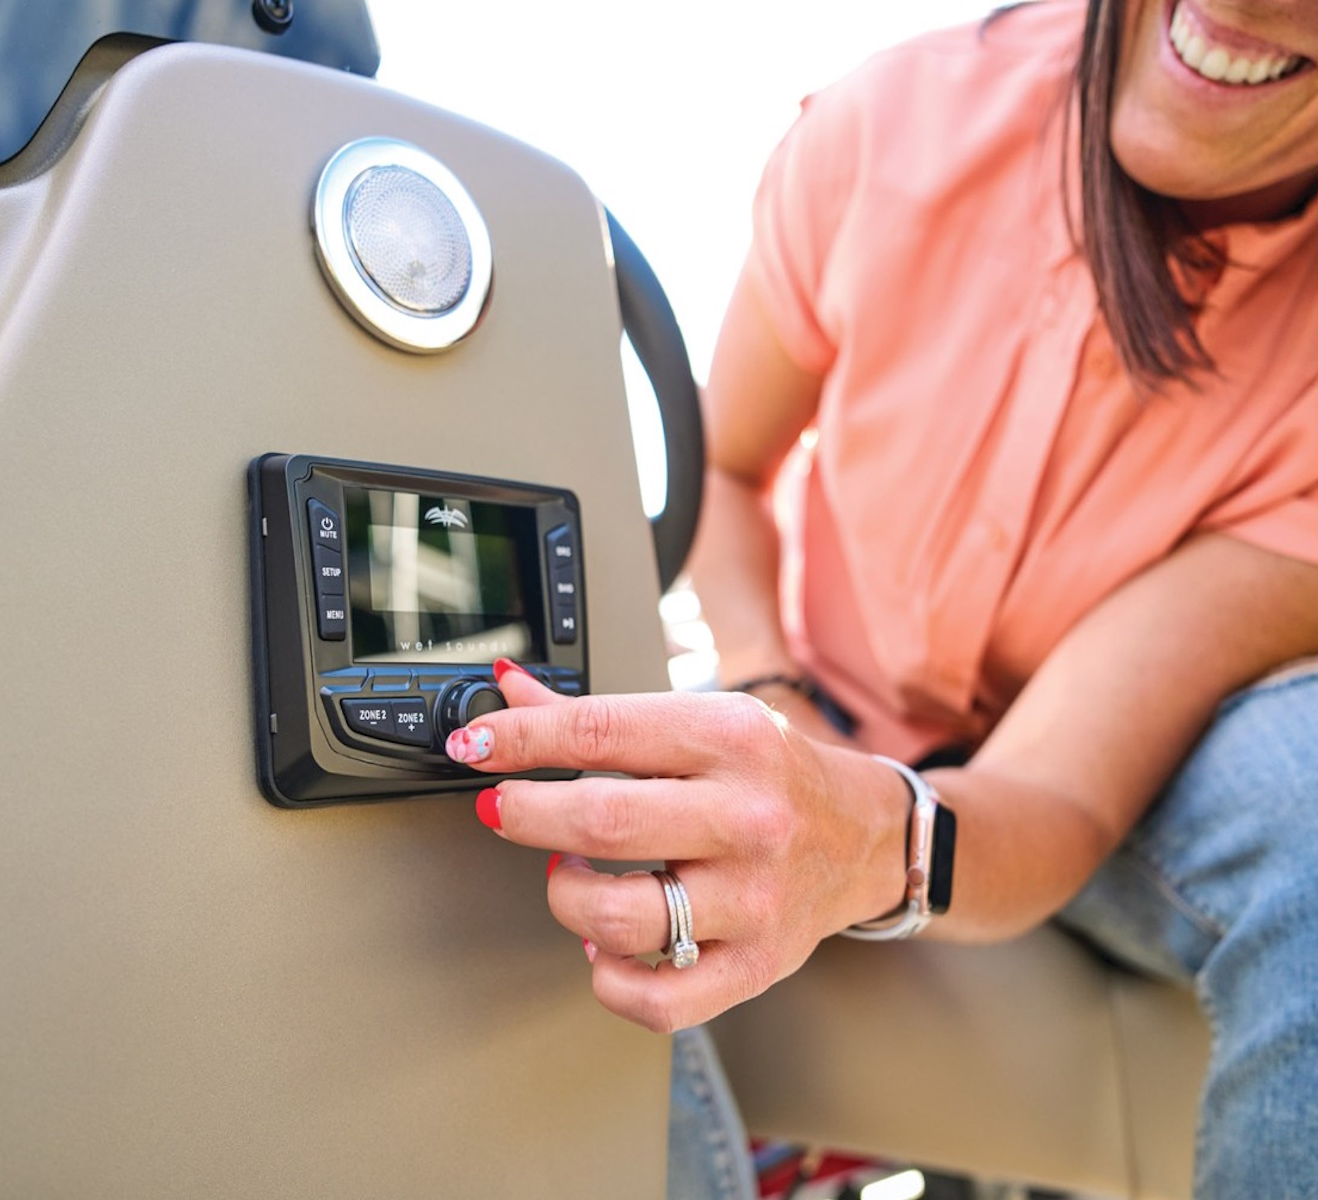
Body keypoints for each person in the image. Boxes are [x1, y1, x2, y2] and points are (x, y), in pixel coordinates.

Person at [443, 0, 1318, 1195]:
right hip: (820, 697)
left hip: (1116, 781)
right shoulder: (888, 122)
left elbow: (1052, 791)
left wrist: (864, 838)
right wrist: (770, 689)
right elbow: (730, 473)